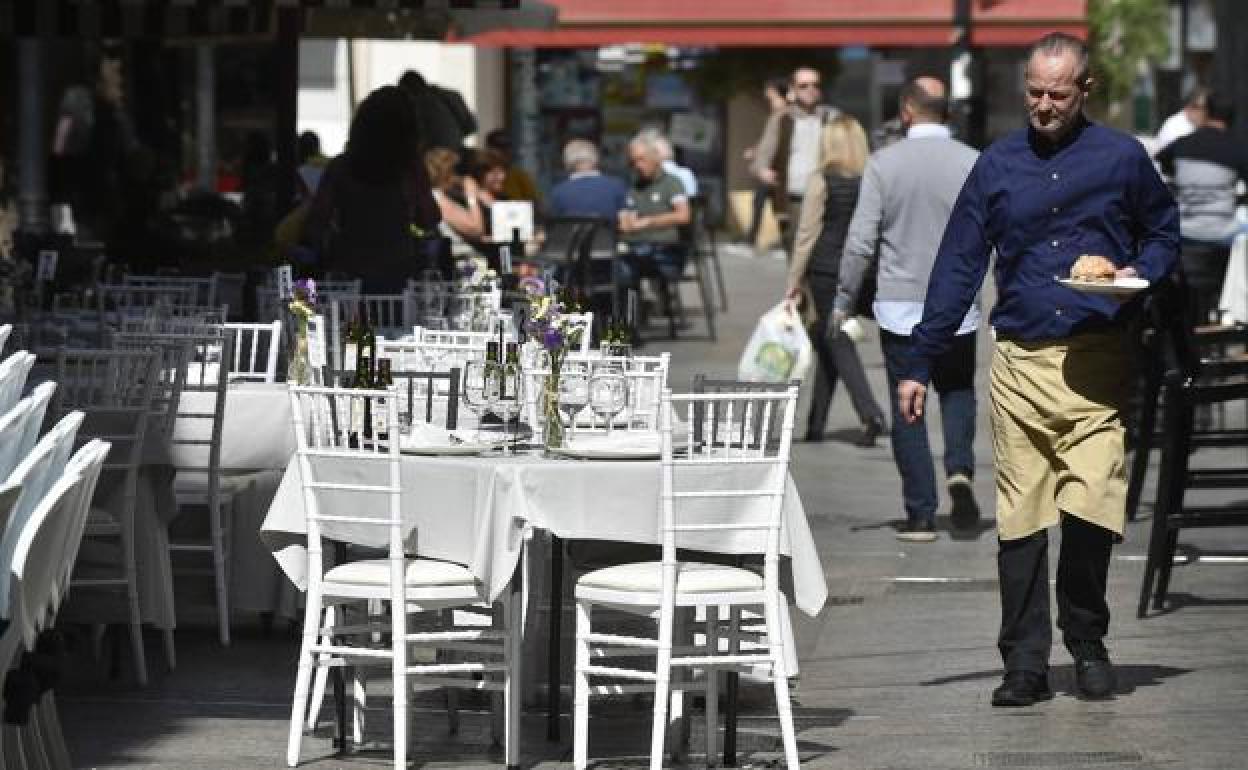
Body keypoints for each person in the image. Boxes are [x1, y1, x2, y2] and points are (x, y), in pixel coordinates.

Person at [900, 33, 1179, 707]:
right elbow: (960, 266)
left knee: (1090, 509)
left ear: (1087, 90)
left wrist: (1143, 272)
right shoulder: (996, 165)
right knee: (1020, 520)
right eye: (1034, 92)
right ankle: (1024, 663)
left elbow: (1163, 232)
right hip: (1020, 364)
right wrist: (919, 360)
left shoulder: (1122, 158)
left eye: (1057, 93)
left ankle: (1086, 643)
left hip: (1097, 361)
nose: (1044, 104)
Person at [834, 76, 981, 543]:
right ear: (949, 114)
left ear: (906, 112)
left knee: (907, 406)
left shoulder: (883, 164)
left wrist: (843, 299)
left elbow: (861, 241)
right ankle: (959, 468)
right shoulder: (974, 163)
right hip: (958, 303)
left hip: (901, 304)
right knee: (957, 391)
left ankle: (920, 514)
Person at [784, 114, 887, 447]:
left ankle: (870, 413)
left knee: (837, 341)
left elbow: (807, 233)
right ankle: (816, 425)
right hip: (863, 270)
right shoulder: (872, 178)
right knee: (826, 342)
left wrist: (794, 279)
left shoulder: (822, 179)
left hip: (827, 269)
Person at [300, 86, 441, 291]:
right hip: (398, 275)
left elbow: (317, 222)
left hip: (348, 274)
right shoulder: (411, 170)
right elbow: (429, 218)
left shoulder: (340, 167)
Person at [750, 66, 839, 258]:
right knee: (797, 259)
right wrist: (762, 171)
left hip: (828, 200)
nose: (810, 89)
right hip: (793, 200)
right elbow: (762, 157)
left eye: (815, 85)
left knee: (823, 259)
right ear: (793, 89)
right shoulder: (781, 119)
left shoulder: (832, 118)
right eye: (804, 85)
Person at [618, 133, 691, 336]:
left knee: (626, 268)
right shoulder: (632, 185)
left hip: (664, 250)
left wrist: (649, 222)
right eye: (633, 161)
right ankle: (627, 323)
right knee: (615, 266)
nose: (637, 165)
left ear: (655, 158)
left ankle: (633, 321)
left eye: (641, 159)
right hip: (633, 246)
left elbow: (684, 215)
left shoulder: (672, 182)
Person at [744, 77, 792, 248]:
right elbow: (768, 142)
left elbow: (778, 144)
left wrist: (768, 166)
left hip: (773, 170)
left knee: (778, 207)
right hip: (766, 169)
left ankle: (785, 240)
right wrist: (756, 151)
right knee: (762, 203)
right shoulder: (775, 114)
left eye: (769, 90)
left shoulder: (785, 115)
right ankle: (754, 238)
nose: (766, 93)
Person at [426, 147, 487, 260]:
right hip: (465, 266)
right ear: (445, 173)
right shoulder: (438, 199)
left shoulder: (444, 197)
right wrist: (471, 195)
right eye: (455, 170)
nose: (457, 176)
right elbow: (476, 230)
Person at [548, 139, 628, 220]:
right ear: (596, 158)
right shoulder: (616, 186)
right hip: (609, 232)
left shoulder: (559, 192)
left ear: (567, 163)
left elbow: (554, 225)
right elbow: (627, 219)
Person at [398, 70, 477, 153]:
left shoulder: (414, 103)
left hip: (435, 159)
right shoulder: (452, 95)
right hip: (458, 153)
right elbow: (472, 127)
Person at [485, 129, 542, 207]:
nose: (506, 152)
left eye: (507, 148)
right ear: (489, 150)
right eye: (500, 148)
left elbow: (537, 204)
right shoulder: (481, 174)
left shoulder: (519, 176)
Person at [1155, 85, 1207, 151]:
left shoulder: (1190, 122)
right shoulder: (1178, 129)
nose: (1206, 113)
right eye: (1203, 108)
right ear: (1189, 107)